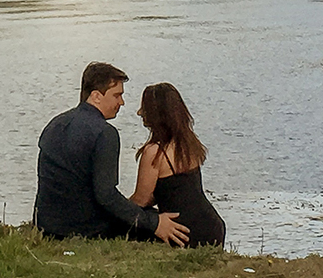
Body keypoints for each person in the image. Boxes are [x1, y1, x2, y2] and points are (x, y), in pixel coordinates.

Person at [34, 62, 189, 245]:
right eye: (117, 95)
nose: (121, 102)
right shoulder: (104, 133)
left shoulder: (54, 124)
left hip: (46, 225)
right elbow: (106, 196)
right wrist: (154, 224)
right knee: (162, 221)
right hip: (85, 229)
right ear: (96, 96)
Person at [128, 82, 226, 248]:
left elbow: (141, 200)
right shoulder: (189, 144)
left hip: (181, 230)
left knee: (128, 223)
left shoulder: (155, 151)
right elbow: (174, 190)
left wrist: (115, 208)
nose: (139, 113)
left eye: (144, 108)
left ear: (156, 113)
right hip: (212, 226)